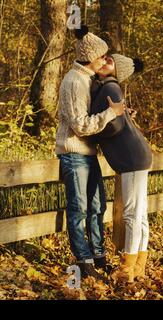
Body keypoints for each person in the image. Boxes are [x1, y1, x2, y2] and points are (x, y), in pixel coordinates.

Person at [55, 25, 125, 279]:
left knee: (97, 206)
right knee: (79, 209)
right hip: (74, 153)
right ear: (91, 58)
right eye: (103, 56)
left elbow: (97, 114)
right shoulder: (74, 81)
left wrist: (119, 117)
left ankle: (98, 256)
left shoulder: (88, 79)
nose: (106, 60)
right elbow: (82, 125)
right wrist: (110, 114)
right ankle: (84, 262)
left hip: (87, 154)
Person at [89, 54, 152, 283]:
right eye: (105, 59)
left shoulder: (111, 88)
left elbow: (114, 126)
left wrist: (93, 131)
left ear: (117, 71)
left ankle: (127, 269)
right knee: (139, 215)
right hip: (135, 158)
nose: (104, 62)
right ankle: (138, 267)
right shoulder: (107, 87)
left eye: (110, 62)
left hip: (132, 159)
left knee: (132, 214)